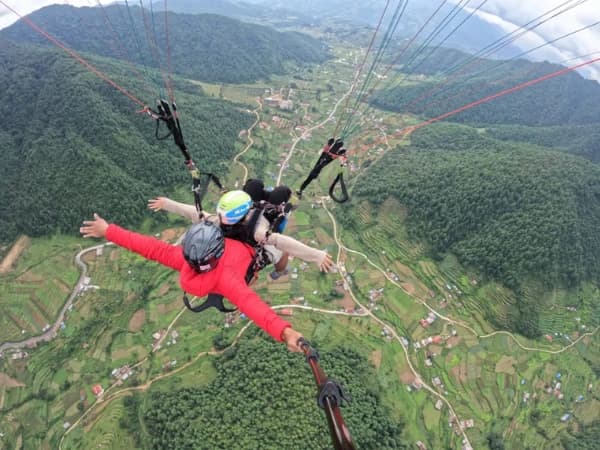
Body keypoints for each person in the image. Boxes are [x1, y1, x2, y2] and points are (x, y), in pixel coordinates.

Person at [79, 214, 304, 352]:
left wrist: (108, 230)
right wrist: (285, 333)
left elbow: (150, 247)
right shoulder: (228, 280)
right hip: (253, 249)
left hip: (242, 246)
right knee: (281, 250)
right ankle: (279, 268)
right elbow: (254, 307)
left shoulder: (186, 261)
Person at [148, 187, 333, 275]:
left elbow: (194, 213)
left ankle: (278, 269)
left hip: (236, 240)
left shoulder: (216, 220)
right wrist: (316, 256)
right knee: (281, 250)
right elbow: (284, 243)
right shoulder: (258, 230)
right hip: (255, 244)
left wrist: (167, 204)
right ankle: (279, 272)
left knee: (256, 184)